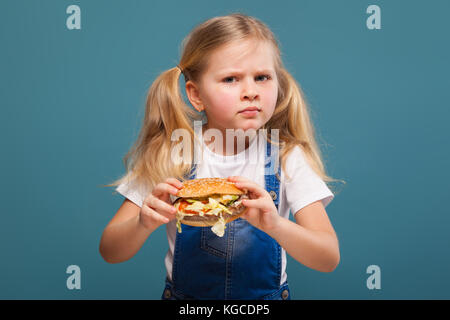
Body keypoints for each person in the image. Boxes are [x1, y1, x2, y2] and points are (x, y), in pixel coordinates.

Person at [100, 13, 341, 300]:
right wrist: (143, 223)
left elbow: (328, 257)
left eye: (262, 77)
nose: (250, 91)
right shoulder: (171, 154)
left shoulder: (287, 157)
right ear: (196, 95)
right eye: (231, 79)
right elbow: (110, 251)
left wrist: (274, 224)